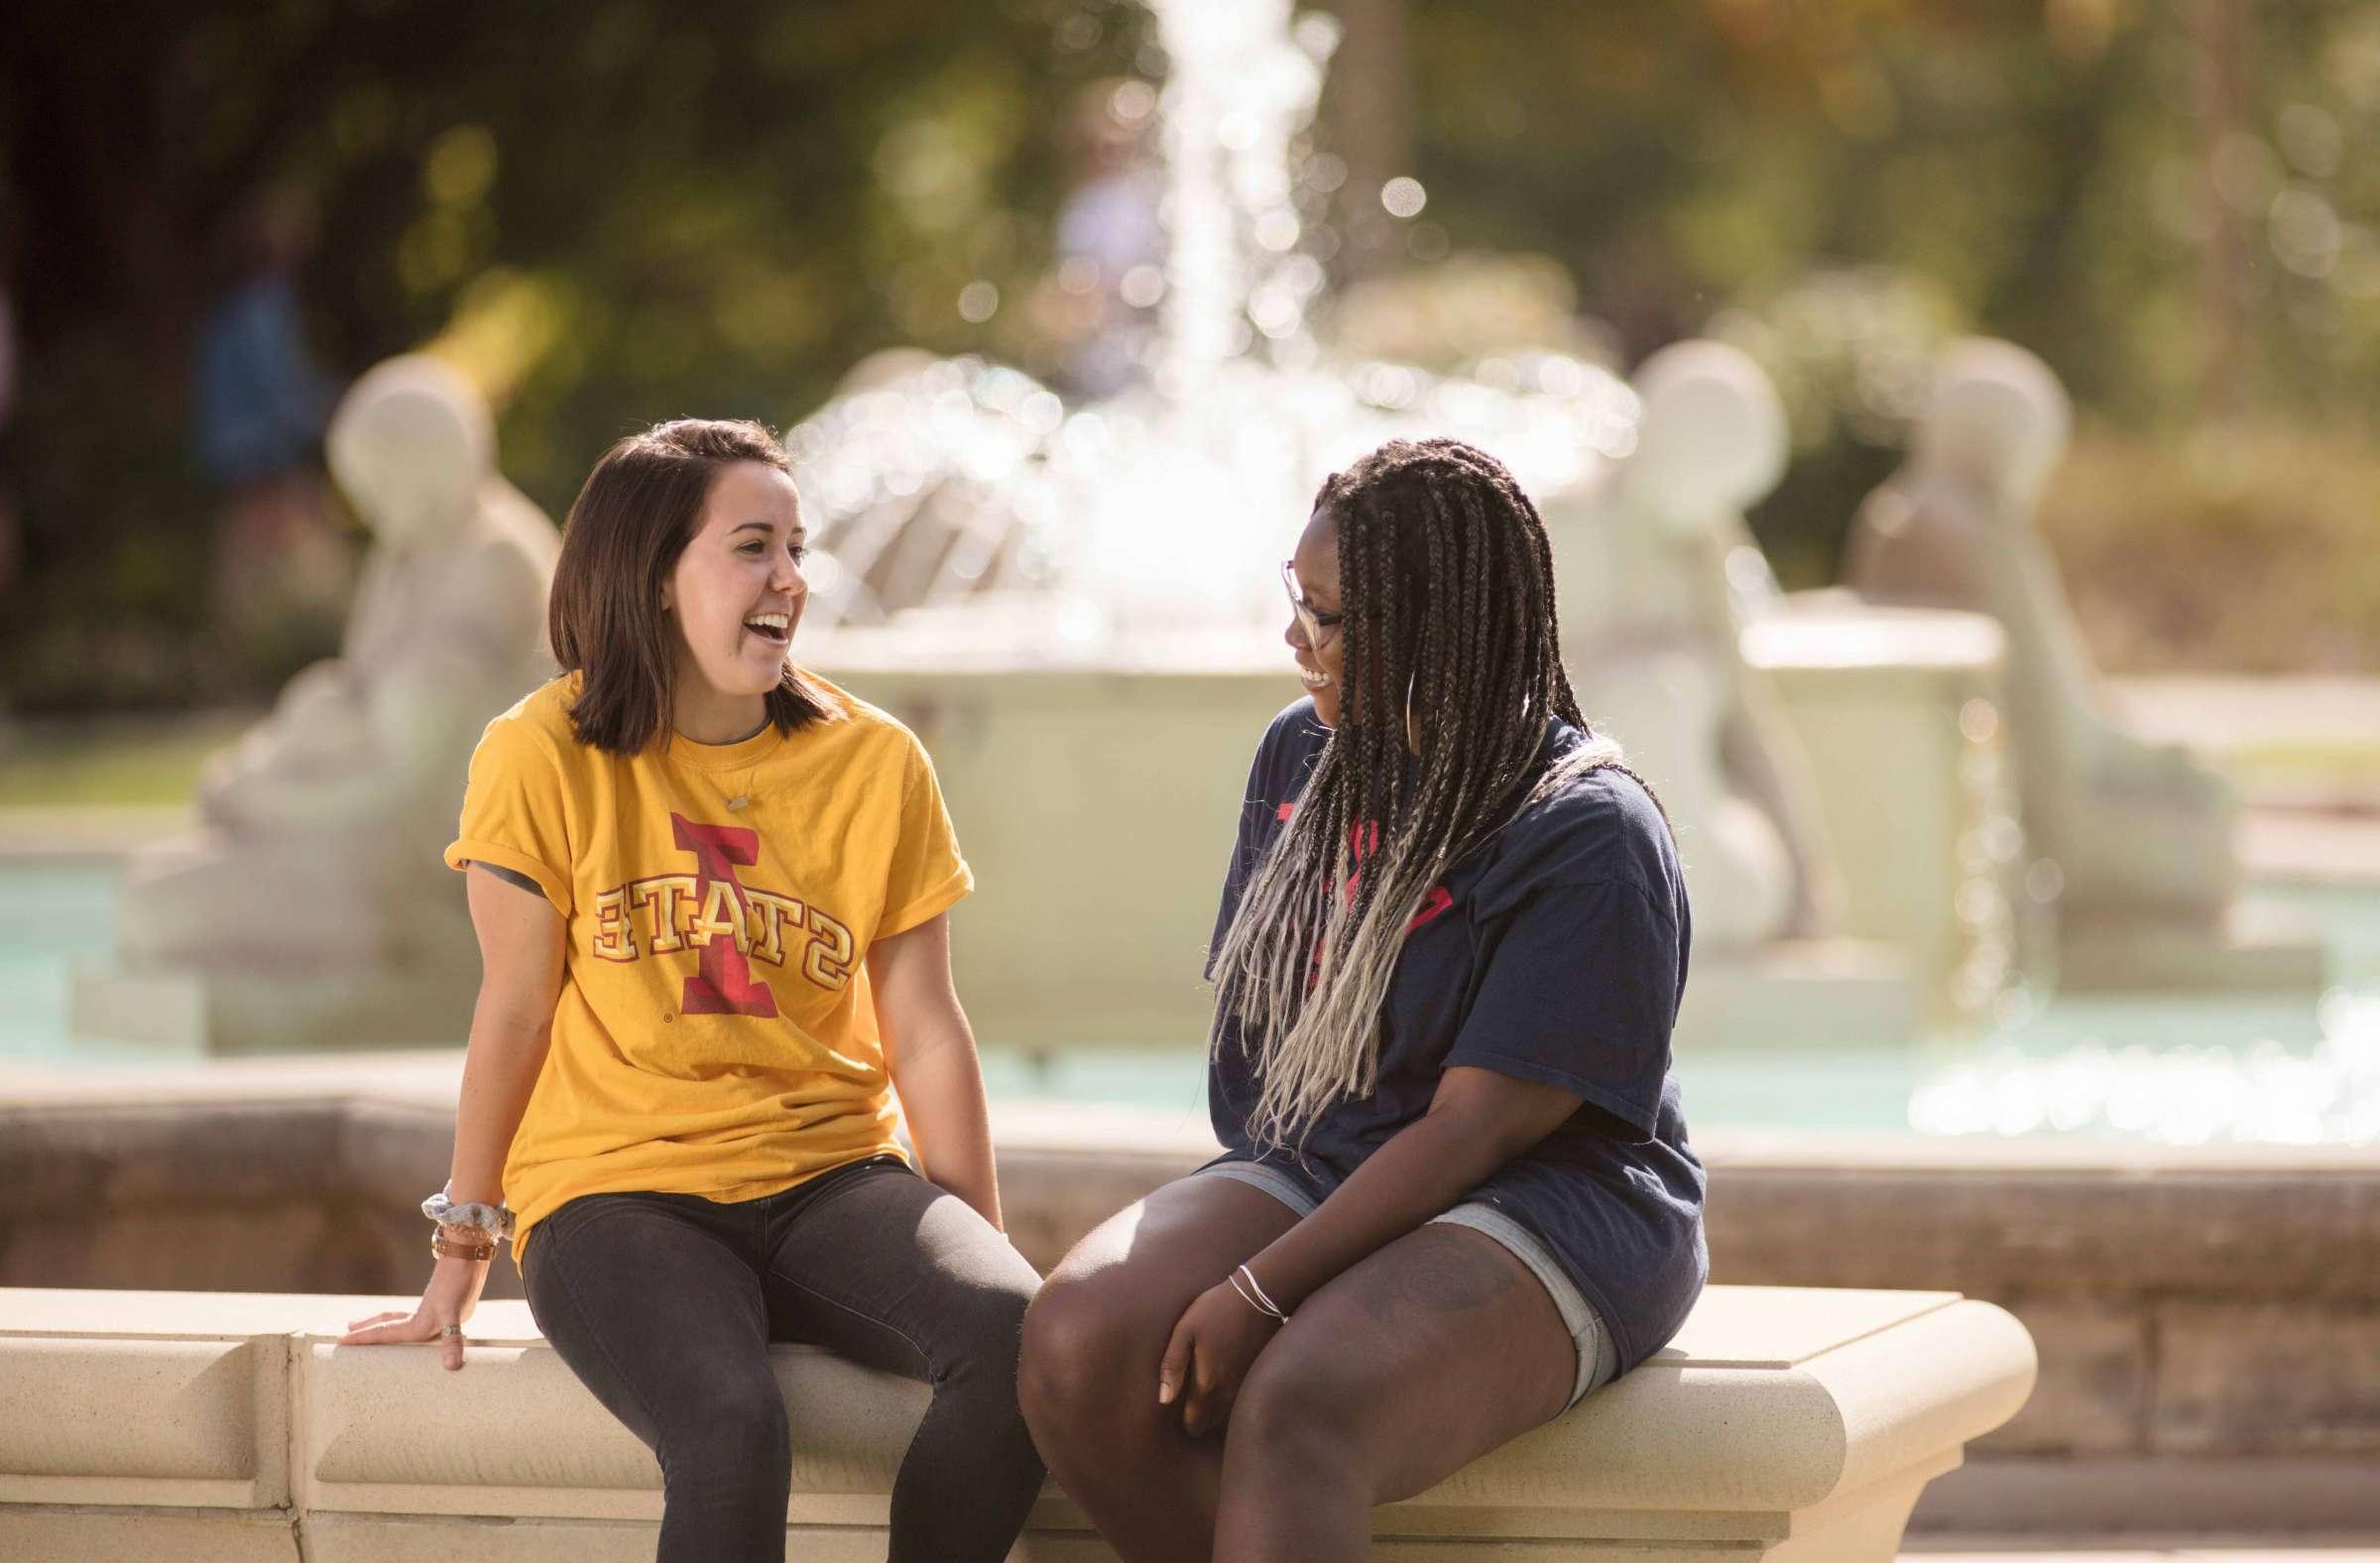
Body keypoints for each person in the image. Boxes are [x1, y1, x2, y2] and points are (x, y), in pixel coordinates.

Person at [338, 420, 1044, 1563]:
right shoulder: (540, 752)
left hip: (830, 1176)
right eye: (752, 547)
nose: (790, 581)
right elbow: (514, 1008)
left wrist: (973, 1256)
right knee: (730, 1422)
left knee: (1026, 1344)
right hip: (616, 1196)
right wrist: (463, 1245)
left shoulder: (876, 763)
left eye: (798, 549)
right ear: (654, 577)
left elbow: (926, 1030)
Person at [1016, 437, 1707, 1562]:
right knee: (1078, 1339)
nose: (1298, 639)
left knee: (1303, 1404)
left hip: (1551, 1203)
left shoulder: (1585, 829)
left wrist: (1258, 1287)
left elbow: (1476, 1129)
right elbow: (1264, 1064)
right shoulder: (1304, 759)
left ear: (1433, 629)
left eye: (1332, 617)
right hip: (1332, 1153)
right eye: (1299, 601)